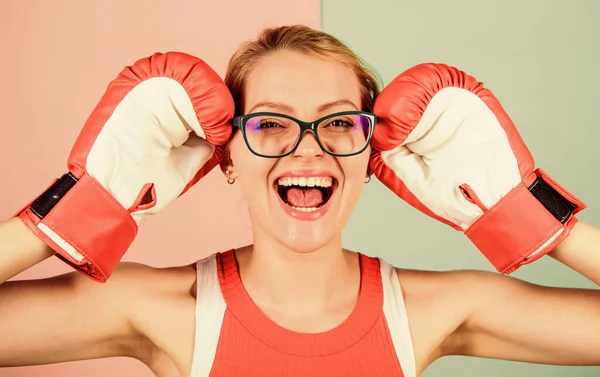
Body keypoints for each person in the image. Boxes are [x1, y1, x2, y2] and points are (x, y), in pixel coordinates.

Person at [0, 24, 599, 377]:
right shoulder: (160, 307)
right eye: (271, 125)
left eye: (339, 123)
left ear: (372, 157)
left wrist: (531, 214)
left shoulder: (435, 308)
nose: (307, 151)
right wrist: (79, 206)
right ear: (227, 156)